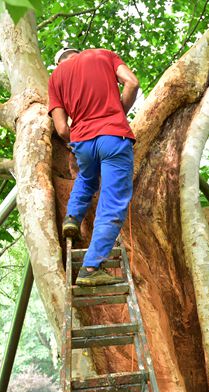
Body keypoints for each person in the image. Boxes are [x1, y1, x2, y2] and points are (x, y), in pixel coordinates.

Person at [48, 47, 139, 287]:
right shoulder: (103, 55)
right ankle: (91, 267)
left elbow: (60, 129)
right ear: (76, 53)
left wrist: (77, 138)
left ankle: (72, 219)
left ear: (59, 62)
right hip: (113, 136)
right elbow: (132, 83)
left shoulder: (56, 77)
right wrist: (118, 113)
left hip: (82, 142)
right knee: (112, 202)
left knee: (87, 179)